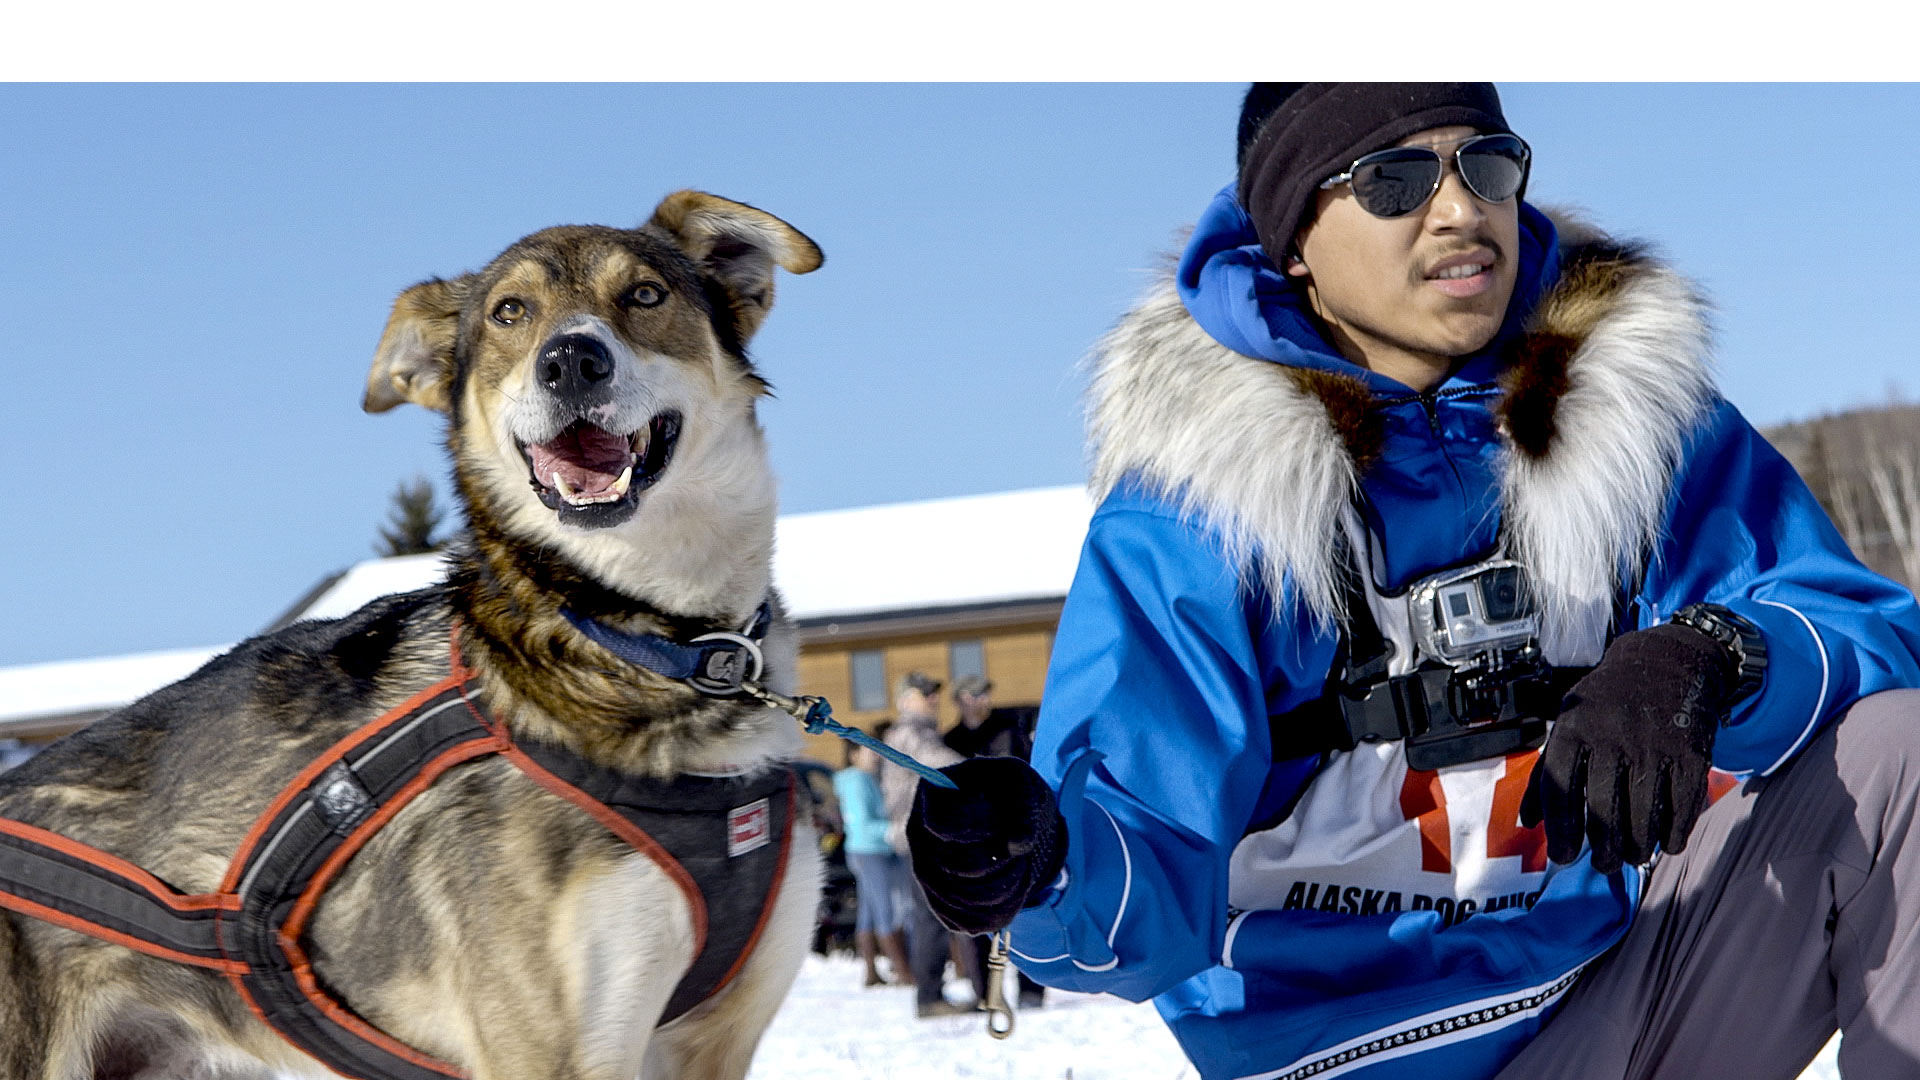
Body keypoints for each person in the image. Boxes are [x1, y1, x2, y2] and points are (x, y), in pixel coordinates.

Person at [907, 83, 1920, 1079]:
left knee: (1900, 757)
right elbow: (1136, 873)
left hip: (1624, 996)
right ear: (1295, 242)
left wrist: (1713, 653)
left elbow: (1857, 622)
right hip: (1353, 1052)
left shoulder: (1635, 425)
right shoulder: (1196, 510)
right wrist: (1036, 865)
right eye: (1393, 179)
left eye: (1485, 165)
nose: (1458, 208)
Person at [942, 674, 1048, 1010]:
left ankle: (1032, 989)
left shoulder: (1009, 730)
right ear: (959, 699)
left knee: (1025, 911)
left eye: (985, 693)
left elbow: (1032, 775)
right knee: (977, 920)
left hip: (1015, 837)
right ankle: (987, 994)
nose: (982, 700)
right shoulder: (950, 741)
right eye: (974, 694)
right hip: (971, 842)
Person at [879, 671, 969, 1017]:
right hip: (918, 838)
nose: (933, 699)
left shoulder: (919, 732)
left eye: (935, 693)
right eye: (925, 693)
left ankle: (932, 993)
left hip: (923, 836)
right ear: (905, 700)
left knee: (932, 915)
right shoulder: (909, 732)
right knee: (930, 916)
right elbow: (942, 764)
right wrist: (987, 775)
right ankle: (929, 996)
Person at [833, 725, 913, 988]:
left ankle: (870, 970)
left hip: (865, 849)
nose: (875, 756)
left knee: (868, 910)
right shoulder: (857, 781)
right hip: (870, 849)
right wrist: (892, 829)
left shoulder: (863, 779)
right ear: (854, 754)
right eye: (869, 751)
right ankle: (902, 971)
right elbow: (863, 821)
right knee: (885, 909)